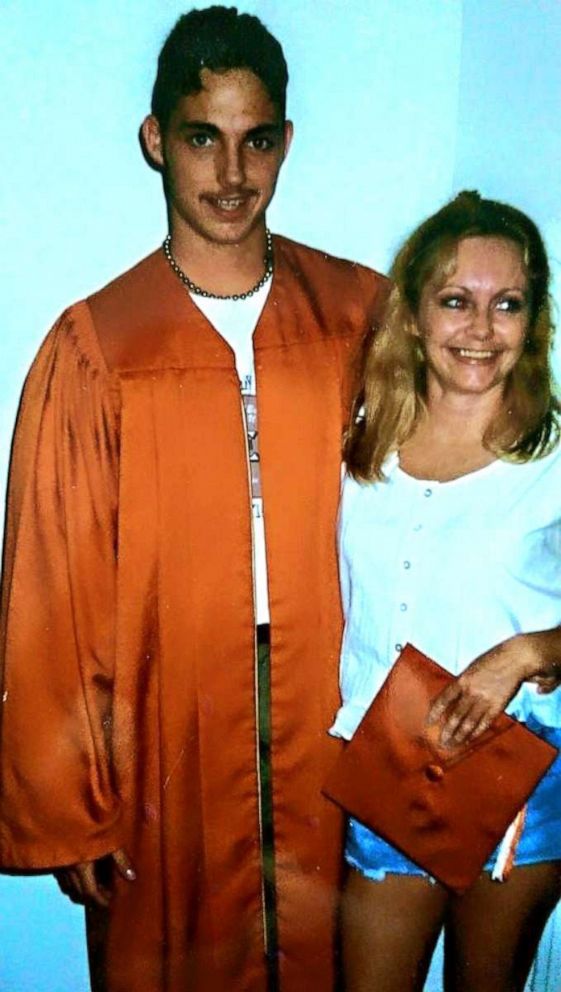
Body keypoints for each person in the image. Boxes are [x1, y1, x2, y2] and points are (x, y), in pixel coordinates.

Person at [0, 7, 388, 992]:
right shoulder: (98, 345)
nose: (231, 174)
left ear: (286, 143)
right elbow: (57, 586)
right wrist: (74, 799)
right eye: (202, 137)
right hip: (165, 710)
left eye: (257, 140)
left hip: (334, 702)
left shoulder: (361, 315)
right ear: (156, 140)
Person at [332, 190, 561, 992]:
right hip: (386, 761)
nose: (479, 329)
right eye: (456, 301)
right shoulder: (361, 440)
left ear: (531, 323)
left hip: (517, 766)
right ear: (416, 314)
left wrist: (527, 652)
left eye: (507, 305)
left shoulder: (551, 458)